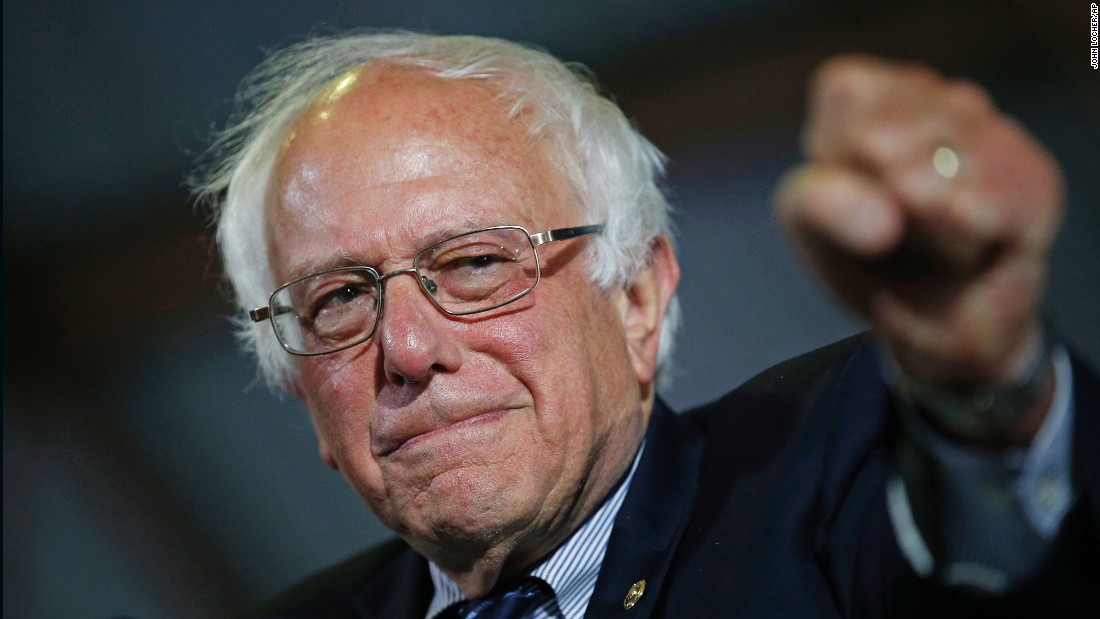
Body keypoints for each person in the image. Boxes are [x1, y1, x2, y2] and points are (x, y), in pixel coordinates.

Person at [192, 32, 1098, 618]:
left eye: (474, 263)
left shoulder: (845, 451)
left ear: (637, 296)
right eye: (339, 299)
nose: (409, 349)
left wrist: (991, 395)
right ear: (306, 395)